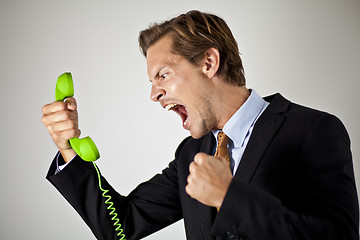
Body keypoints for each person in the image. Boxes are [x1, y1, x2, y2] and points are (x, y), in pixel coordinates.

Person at [42, 10, 359, 240]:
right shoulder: (190, 154)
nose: (154, 94)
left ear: (209, 62)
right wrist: (67, 149)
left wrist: (228, 196)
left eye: (163, 75)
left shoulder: (315, 129)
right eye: (152, 81)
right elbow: (121, 226)